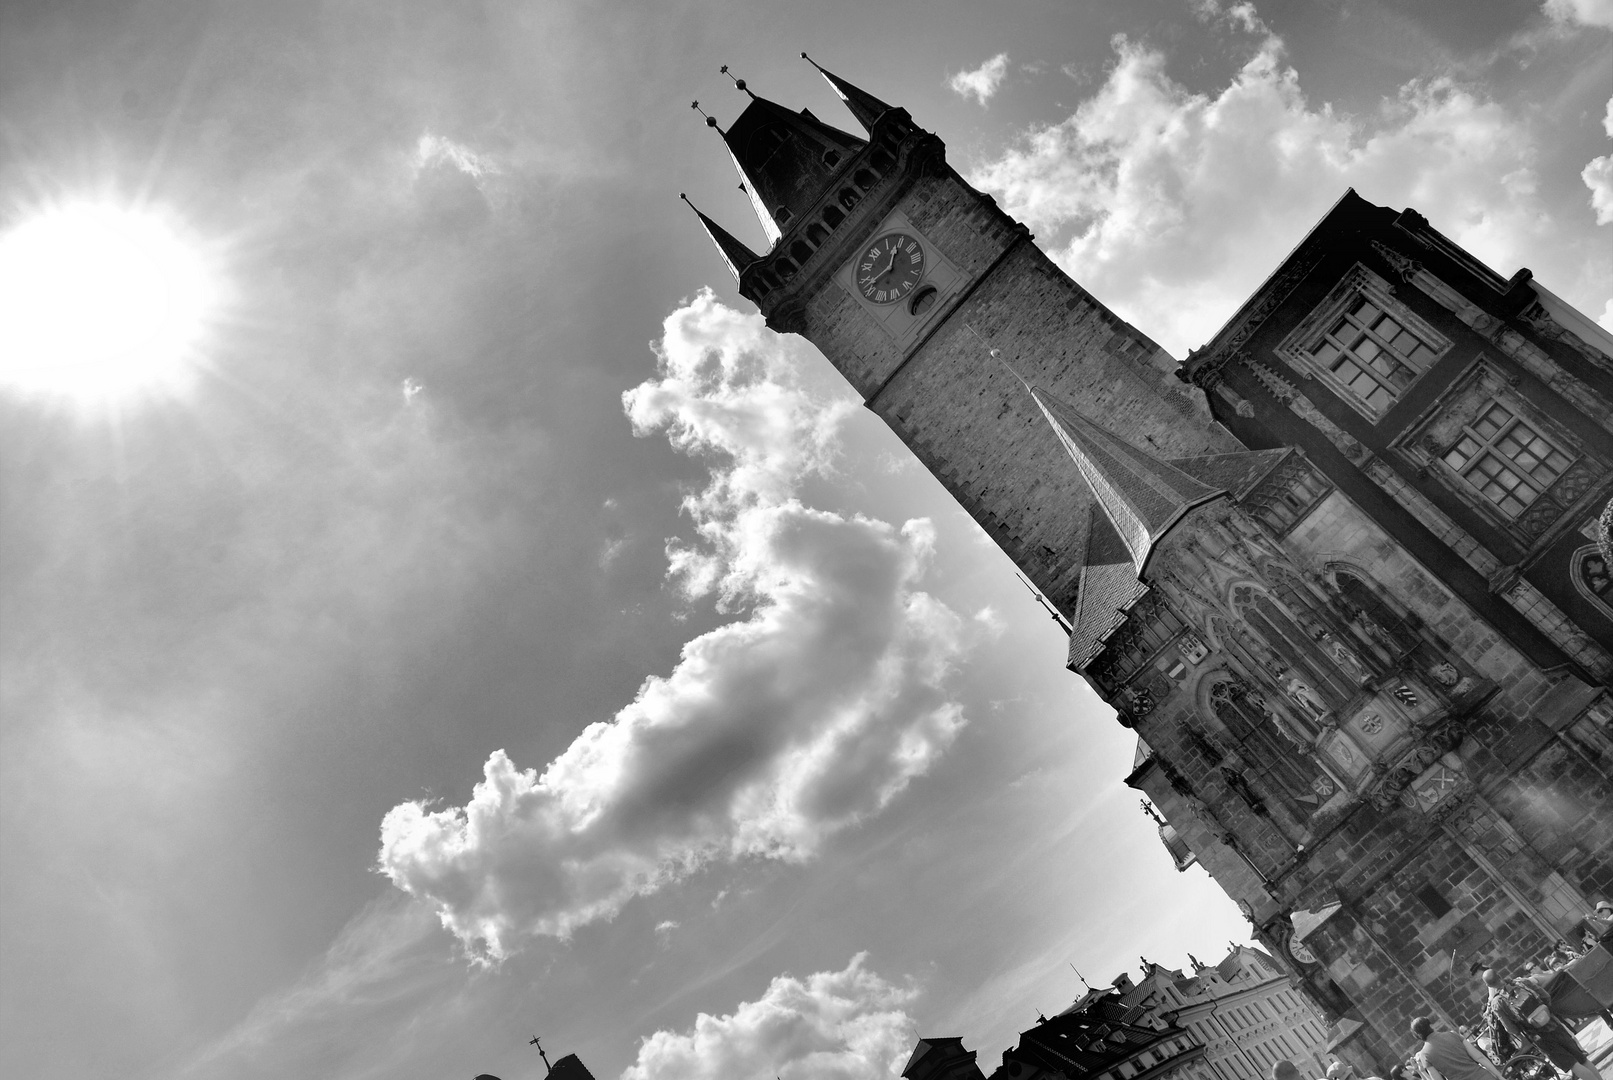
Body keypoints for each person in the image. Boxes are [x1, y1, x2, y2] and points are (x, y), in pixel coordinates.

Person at [1485, 970, 1599, 1080]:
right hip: (1553, 1023)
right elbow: (1545, 997)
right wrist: (1544, 1013)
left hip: (1539, 1037)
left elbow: (1511, 1029)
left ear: (1489, 985)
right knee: (1582, 1059)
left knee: (1572, 1064)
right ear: (1499, 975)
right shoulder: (1521, 982)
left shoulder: (1497, 1003)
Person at [1410, 1016, 1505, 1080]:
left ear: (1417, 1035)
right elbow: (1479, 1057)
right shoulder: (1452, 1035)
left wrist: (1421, 1071)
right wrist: (1499, 1076)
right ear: (1430, 1025)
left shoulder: (1425, 1055)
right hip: (1483, 1076)